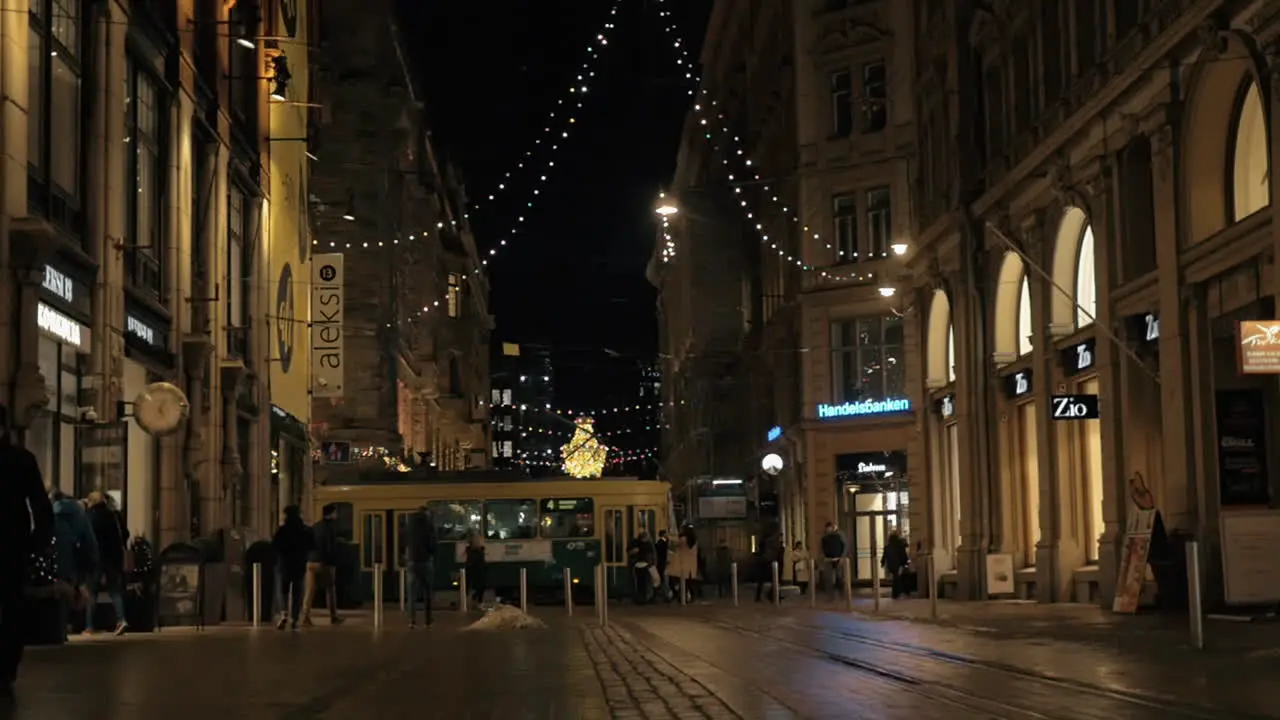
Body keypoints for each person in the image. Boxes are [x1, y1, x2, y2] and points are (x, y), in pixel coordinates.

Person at [0, 413, 54, 697]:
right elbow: (39, 504)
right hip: (13, 542)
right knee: (12, 606)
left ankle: (6, 666)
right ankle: (6, 667)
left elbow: (39, 505)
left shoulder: (21, 460)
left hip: (13, 543)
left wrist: (38, 541)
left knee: (11, 606)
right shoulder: (22, 459)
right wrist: (38, 541)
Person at [51, 490, 98, 637]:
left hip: (53, 556)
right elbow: (90, 541)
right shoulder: (80, 515)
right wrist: (92, 561)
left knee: (54, 590)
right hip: (73, 559)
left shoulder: (50, 513)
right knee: (68, 591)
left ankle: (57, 627)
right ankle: (63, 627)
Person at [84, 491, 128, 635]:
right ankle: (121, 620)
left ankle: (89, 625)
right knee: (115, 590)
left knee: (92, 592)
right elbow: (125, 533)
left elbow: (87, 537)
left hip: (97, 558)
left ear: (91, 502)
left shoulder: (90, 516)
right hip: (114, 557)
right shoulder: (113, 515)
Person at [301, 503, 342, 627]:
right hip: (324, 562)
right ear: (331, 513)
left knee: (309, 592)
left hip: (310, 562)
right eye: (335, 512)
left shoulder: (315, 526)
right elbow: (329, 547)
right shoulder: (331, 527)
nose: (337, 515)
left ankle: (305, 617)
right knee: (330, 590)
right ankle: (333, 617)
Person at [272, 505, 312, 630]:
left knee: (282, 590)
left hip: (284, 564)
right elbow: (311, 545)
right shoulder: (304, 530)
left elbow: (274, 546)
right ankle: (294, 619)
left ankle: (284, 613)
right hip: (299, 564)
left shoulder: (282, 530)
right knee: (297, 592)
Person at [406, 505, 437, 627]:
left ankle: (411, 620)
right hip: (425, 562)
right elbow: (432, 544)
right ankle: (428, 620)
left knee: (411, 594)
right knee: (427, 593)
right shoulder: (428, 525)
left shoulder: (410, 525)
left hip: (412, 562)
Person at [627, 530, 657, 604]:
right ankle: (648, 597)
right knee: (648, 582)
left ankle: (641, 598)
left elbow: (630, 552)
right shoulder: (649, 544)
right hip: (647, 565)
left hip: (638, 565)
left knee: (640, 583)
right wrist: (653, 563)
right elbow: (653, 555)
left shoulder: (636, 543)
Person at [754, 528, 782, 602]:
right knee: (774, 579)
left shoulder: (765, 542)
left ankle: (766, 595)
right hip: (768, 562)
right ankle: (772, 595)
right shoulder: (772, 542)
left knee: (764, 580)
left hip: (766, 562)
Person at [881, 529, 911, 599]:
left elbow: (884, 555)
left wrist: (883, 563)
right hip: (898, 564)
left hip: (891, 564)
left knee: (896, 577)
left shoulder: (888, 546)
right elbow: (903, 554)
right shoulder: (899, 544)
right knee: (898, 577)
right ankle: (898, 592)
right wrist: (905, 562)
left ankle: (896, 592)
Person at [820, 522, 846, 600]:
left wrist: (842, 557)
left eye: (830, 528)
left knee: (840, 577)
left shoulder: (839, 536)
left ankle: (842, 594)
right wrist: (823, 557)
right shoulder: (824, 538)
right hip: (828, 559)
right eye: (827, 528)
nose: (828, 529)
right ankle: (830, 596)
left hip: (838, 558)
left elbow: (844, 546)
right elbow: (822, 548)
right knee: (828, 578)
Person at [464, 529, 487, 607]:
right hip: (476, 568)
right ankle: (476, 600)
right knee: (478, 584)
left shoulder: (472, 551)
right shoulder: (477, 552)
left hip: (476, 568)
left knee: (479, 584)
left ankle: (475, 599)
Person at [654, 529, 671, 601]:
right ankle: (666, 595)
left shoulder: (658, 543)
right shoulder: (664, 543)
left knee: (662, 579)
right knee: (665, 579)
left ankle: (663, 594)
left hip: (660, 564)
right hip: (664, 564)